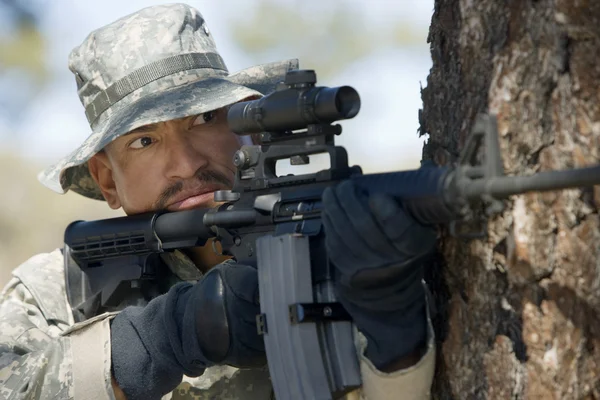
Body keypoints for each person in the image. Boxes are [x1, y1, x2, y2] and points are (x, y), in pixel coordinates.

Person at [0, 4, 437, 399]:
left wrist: (394, 327)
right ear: (106, 179)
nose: (186, 164)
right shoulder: (60, 290)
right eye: (145, 141)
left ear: (252, 127)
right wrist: (164, 340)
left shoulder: (342, 234)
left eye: (205, 119)